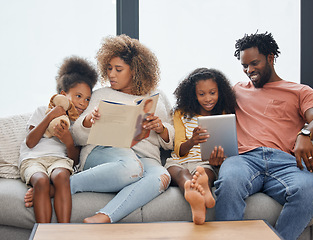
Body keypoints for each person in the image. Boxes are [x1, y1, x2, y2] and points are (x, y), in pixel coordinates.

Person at [214, 32, 313, 240]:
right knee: (229, 181)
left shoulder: (300, 91)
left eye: (254, 63)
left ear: (270, 58)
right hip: (245, 159)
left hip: (285, 163)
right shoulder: (237, 91)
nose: (249, 70)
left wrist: (305, 133)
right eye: (244, 66)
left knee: (309, 191)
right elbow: (209, 111)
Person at [55, 34, 173, 223]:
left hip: (145, 158)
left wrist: (161, 129)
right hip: (103, 152)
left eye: (118, 69)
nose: (111, 74)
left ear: (135, 70)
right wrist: (89, 121)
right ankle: (64, 186)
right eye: (109, 68)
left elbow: (171, 142)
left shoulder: (157, 97)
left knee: (162, 177)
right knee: (132, 167)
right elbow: (76, 135)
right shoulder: (100, 94)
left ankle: (104, 216)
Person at [19, 56, 98, 223]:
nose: (83, 103)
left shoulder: (77, 124)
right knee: (41, 181)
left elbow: (74, 160)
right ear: (63, 95)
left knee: (62, 177)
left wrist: (68, 140)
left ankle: (64, 231)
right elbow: (30, 142)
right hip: (33, 160)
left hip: (59, 160)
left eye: (87, 99)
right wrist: (51, 116)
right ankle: (44, 233)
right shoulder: (42, 111)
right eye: (78, 96)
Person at [165, 68, 236, 225]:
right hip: (180, 161)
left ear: (220, 92)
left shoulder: (223, 114)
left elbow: (226, 147)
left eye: (212, 93)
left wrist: (220, 159)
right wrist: (192, 141)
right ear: (193, 95)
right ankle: (196, 193)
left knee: (207, 172)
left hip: (205, 163)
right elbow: (178, 149)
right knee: (180, 172)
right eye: (201, 94)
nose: (208, 98)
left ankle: (201, 187)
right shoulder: (180, 114)